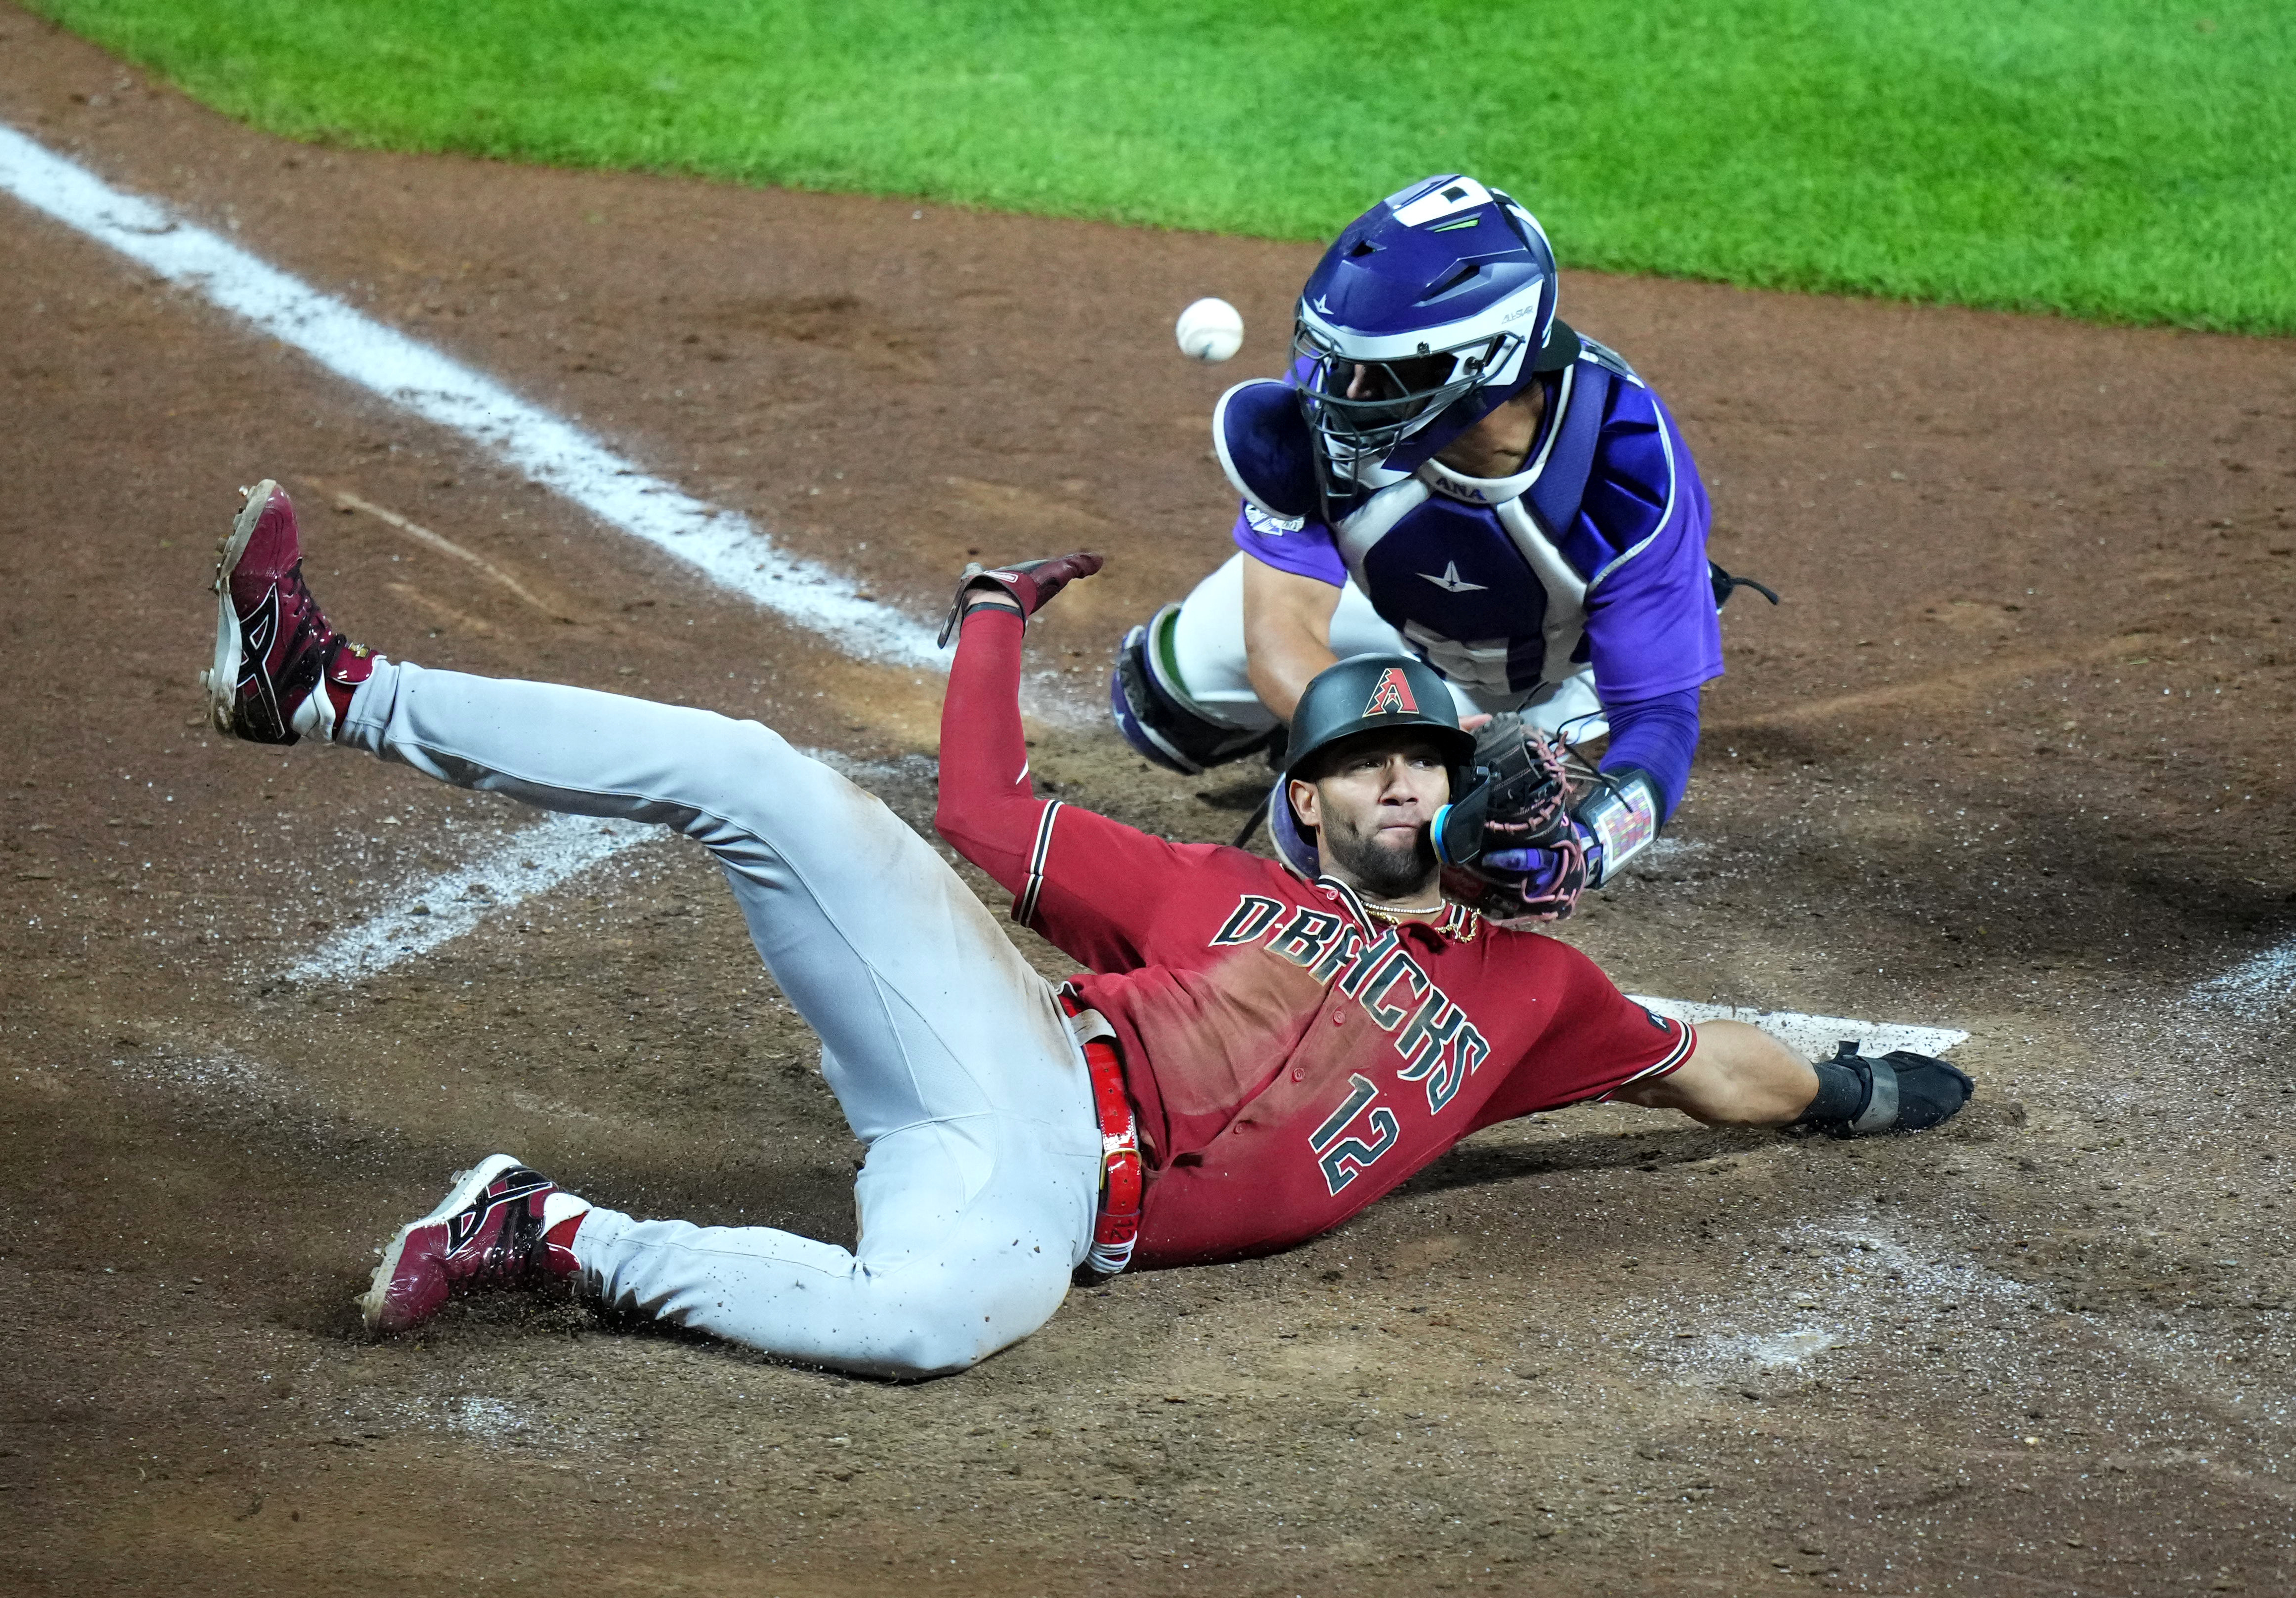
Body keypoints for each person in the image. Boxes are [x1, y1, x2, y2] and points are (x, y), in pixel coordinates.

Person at [201, 481, 1966, 1380]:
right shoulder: (1224, 891)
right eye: (1365, 766)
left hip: (1039, 1210)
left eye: (1426, 762)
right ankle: (332, 686)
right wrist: (986, 622)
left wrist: (1863, 1089)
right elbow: (977, 819)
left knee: (930, 1325)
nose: (1403, 789)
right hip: (1008, 1049)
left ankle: (544, 1231)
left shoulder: (1538, 995)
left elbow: (1712, 1070)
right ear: (1309, 794)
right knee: (755, 774)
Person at [1111, 174, 1773, 885]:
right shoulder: (1340, 397)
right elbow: (1281, 631)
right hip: (1384, 611)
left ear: (1478, 364)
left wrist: (1593, 844)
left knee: (1411, 849)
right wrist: (1386, 733)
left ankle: (1621, 643)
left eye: (1384, 371)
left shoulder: (1628, 471)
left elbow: (1659, 722)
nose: (1346, 394)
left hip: (1538, 684)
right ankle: (1339, 720)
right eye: (1345, 362)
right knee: (1160, 702)